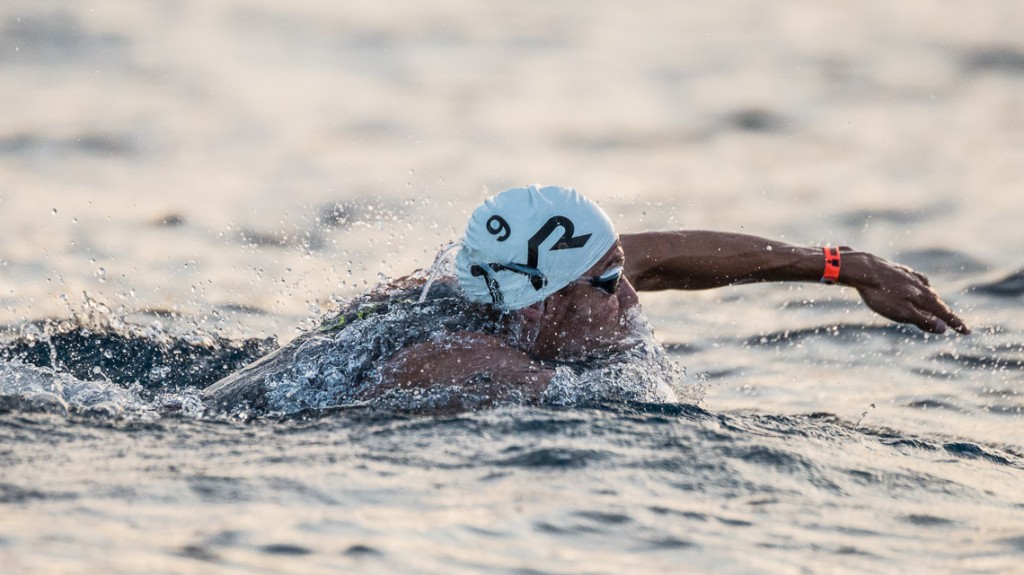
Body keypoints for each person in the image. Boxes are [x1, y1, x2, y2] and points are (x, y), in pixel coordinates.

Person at [203, 185, 969, 413]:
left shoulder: (493, 284)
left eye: (620, 269)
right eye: (607, 283)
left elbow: (666, 255)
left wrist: (846, 265)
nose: (634, 294)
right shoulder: (470, 361)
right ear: (539, 306)